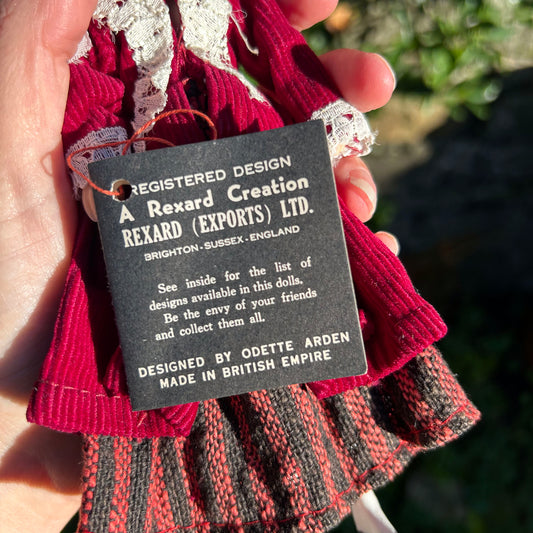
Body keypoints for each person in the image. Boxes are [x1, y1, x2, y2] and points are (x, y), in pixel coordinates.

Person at [0, 1, 397, 531]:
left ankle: (357, 480)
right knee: (181, 351)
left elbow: (283, 53)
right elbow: (88, 89)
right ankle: (202, 494)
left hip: (253, 150)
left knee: (309, 309)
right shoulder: (102, 18)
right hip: (154, 188)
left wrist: (319, 114)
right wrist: (101, 163)